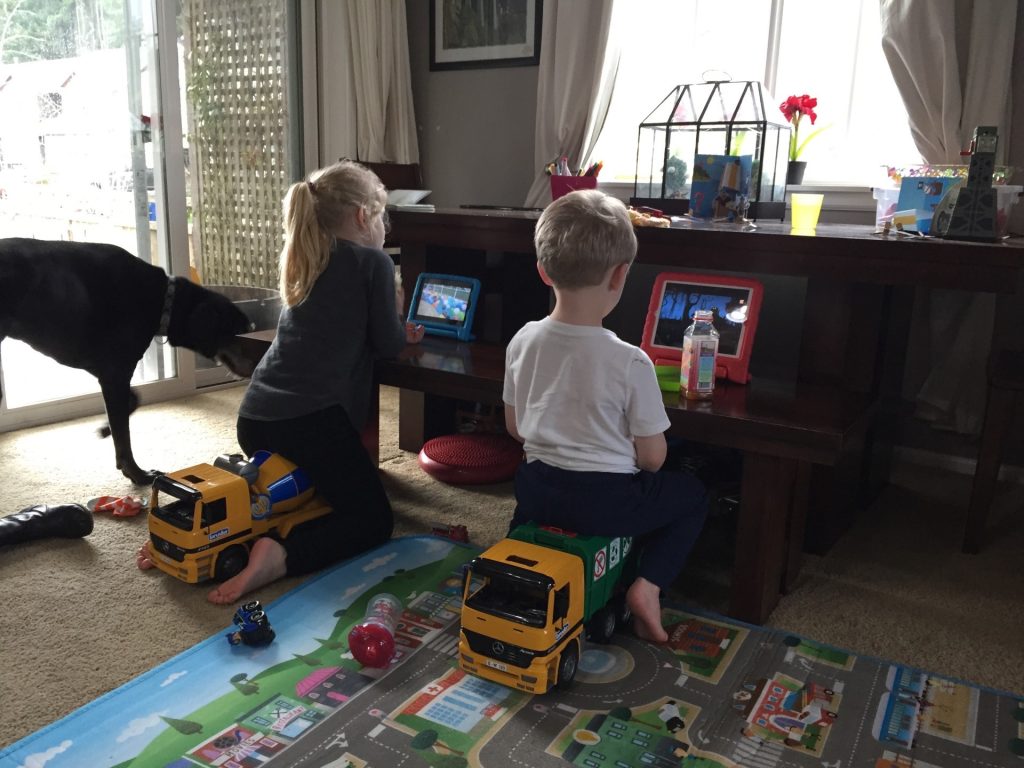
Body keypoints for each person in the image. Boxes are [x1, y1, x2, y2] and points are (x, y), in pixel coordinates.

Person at [138, 159, 424, 603]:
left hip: (256, 418)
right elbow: (388, 345)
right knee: (371, 519)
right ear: (363, 216)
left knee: (308, 495)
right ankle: (280, 555)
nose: (385, 226)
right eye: (382, 215)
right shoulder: (373, 264)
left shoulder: (308, 255)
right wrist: (398, 309)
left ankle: (204, 536)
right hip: (310, 421)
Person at [503, 189, 707, 643]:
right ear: (620, 276)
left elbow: (515, 429)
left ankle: (516, 554)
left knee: (535, 480)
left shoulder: (522, 341)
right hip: (607, 503)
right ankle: (648, 586)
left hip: (535, 491)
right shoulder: (632, 361)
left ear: (542, 271)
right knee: (691, 495)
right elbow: (652, 459)